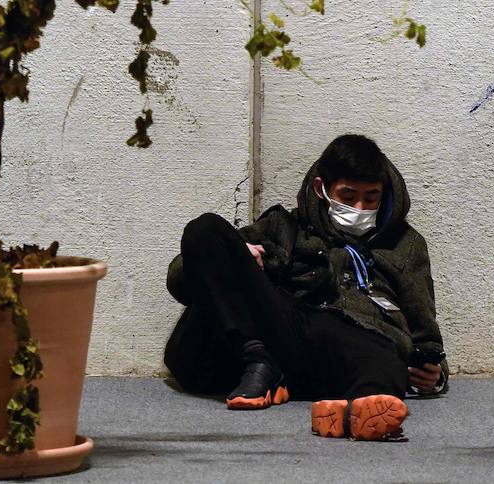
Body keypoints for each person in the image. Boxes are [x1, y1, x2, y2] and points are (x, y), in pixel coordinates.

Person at [163, 134, 448, 441]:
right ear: (321, 189)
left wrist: (435, 373)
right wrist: (239, 256)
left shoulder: (406, 244)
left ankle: (356, 412)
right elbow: (182, 280)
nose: (360, 207)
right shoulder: (284, 227)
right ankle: (259, 360)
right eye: (348, 196)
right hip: (286, 331)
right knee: (204, 230)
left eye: (371, 198)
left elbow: (424, 326)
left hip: (354, 344)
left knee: (385, 356)